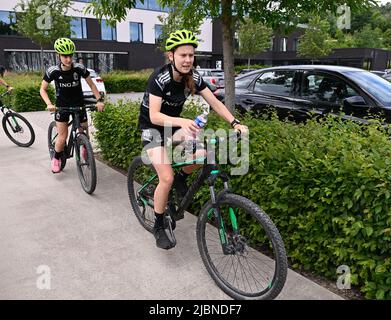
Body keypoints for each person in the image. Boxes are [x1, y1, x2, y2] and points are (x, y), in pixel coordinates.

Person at [138, 29, 248, 250]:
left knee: (203, 155)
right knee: (165, 179)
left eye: (191, 55)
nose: (188, 60)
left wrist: (234, 122)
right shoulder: (160, 78)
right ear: (171, 56)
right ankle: (159, 225)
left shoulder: (194, 77)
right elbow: (154, 116)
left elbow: (215, 103)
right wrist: (182, 122)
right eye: (183, 55)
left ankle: (181, 177)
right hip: (152, 130)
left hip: (174, 126)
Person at [39, 38, 104, 173]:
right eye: (65, 56)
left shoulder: (79, 68)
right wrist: (49, 104)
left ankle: (85, 147)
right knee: (62, 137)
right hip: (61, 106)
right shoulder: (53, 71)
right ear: (59, 55)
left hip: (78, 104)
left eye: (70, 56)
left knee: (84, 130)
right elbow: (42, 89)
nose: (68, 59)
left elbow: (92, 85)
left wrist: (99, 100)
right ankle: (56, 158)